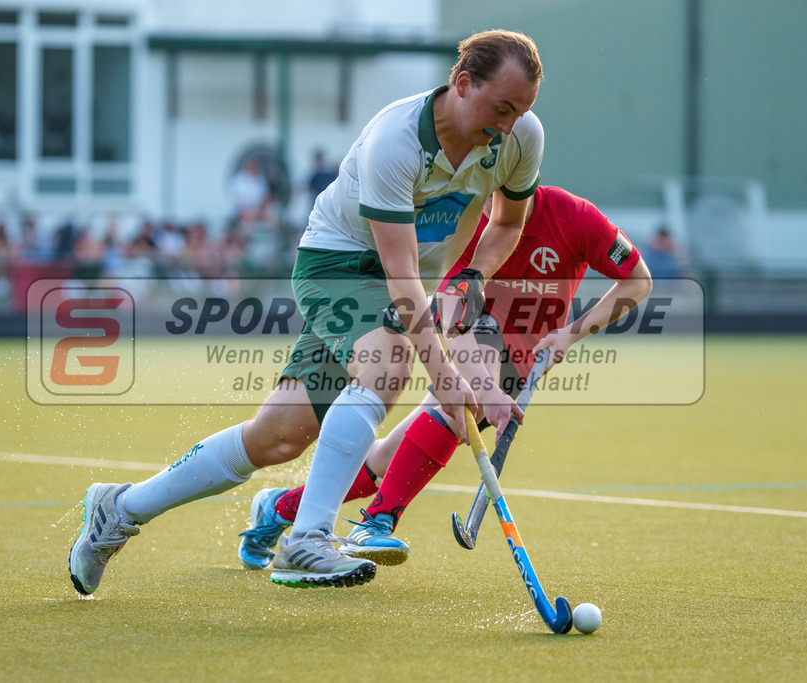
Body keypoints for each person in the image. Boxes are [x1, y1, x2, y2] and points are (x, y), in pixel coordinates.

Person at [68, 29, 545, 594]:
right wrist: (445, 376)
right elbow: (399, 277)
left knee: (278, 437)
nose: (510, 125)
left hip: (398, 279)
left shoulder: (519, 139)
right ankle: (306, 540)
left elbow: (508, 223)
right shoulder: (395, 142)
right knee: (388, 362)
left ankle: (120, 509)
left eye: (522, 112)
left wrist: (472, 274)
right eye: (503, 108)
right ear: (463, 84)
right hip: (338, 264)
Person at [238, 186, 653, 567]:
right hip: (475, 342)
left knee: (385, 463)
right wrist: (480, 383)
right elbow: (455, 319)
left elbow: (639, 281)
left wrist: (570, 333)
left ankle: (278, 507)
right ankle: (377, 522)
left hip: (526, 363)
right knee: (467, 394)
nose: (491, 207)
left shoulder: (575, 216)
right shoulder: (465, 226)